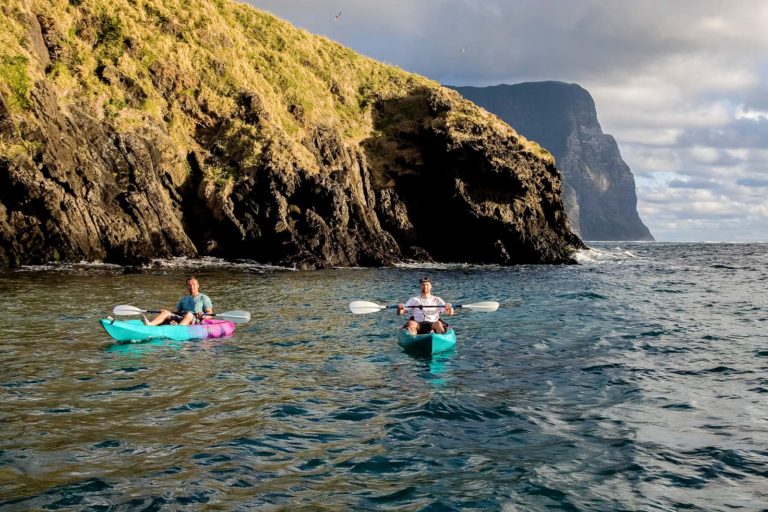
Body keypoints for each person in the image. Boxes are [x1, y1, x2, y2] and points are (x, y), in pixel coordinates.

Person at [143, 276, 213, 326]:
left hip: (195, 319)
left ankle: (178, 329)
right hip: (182, 318)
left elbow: (209, 313)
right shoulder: (183, 299)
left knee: (189, 314)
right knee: (166, 313)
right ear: (187, 286)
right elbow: (176, 312)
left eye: (194, 284)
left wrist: (203, 316)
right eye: (189, 285)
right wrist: (166, 312)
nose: (192, 287)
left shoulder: (204, 298)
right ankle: (150, 324)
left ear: (198, 285)